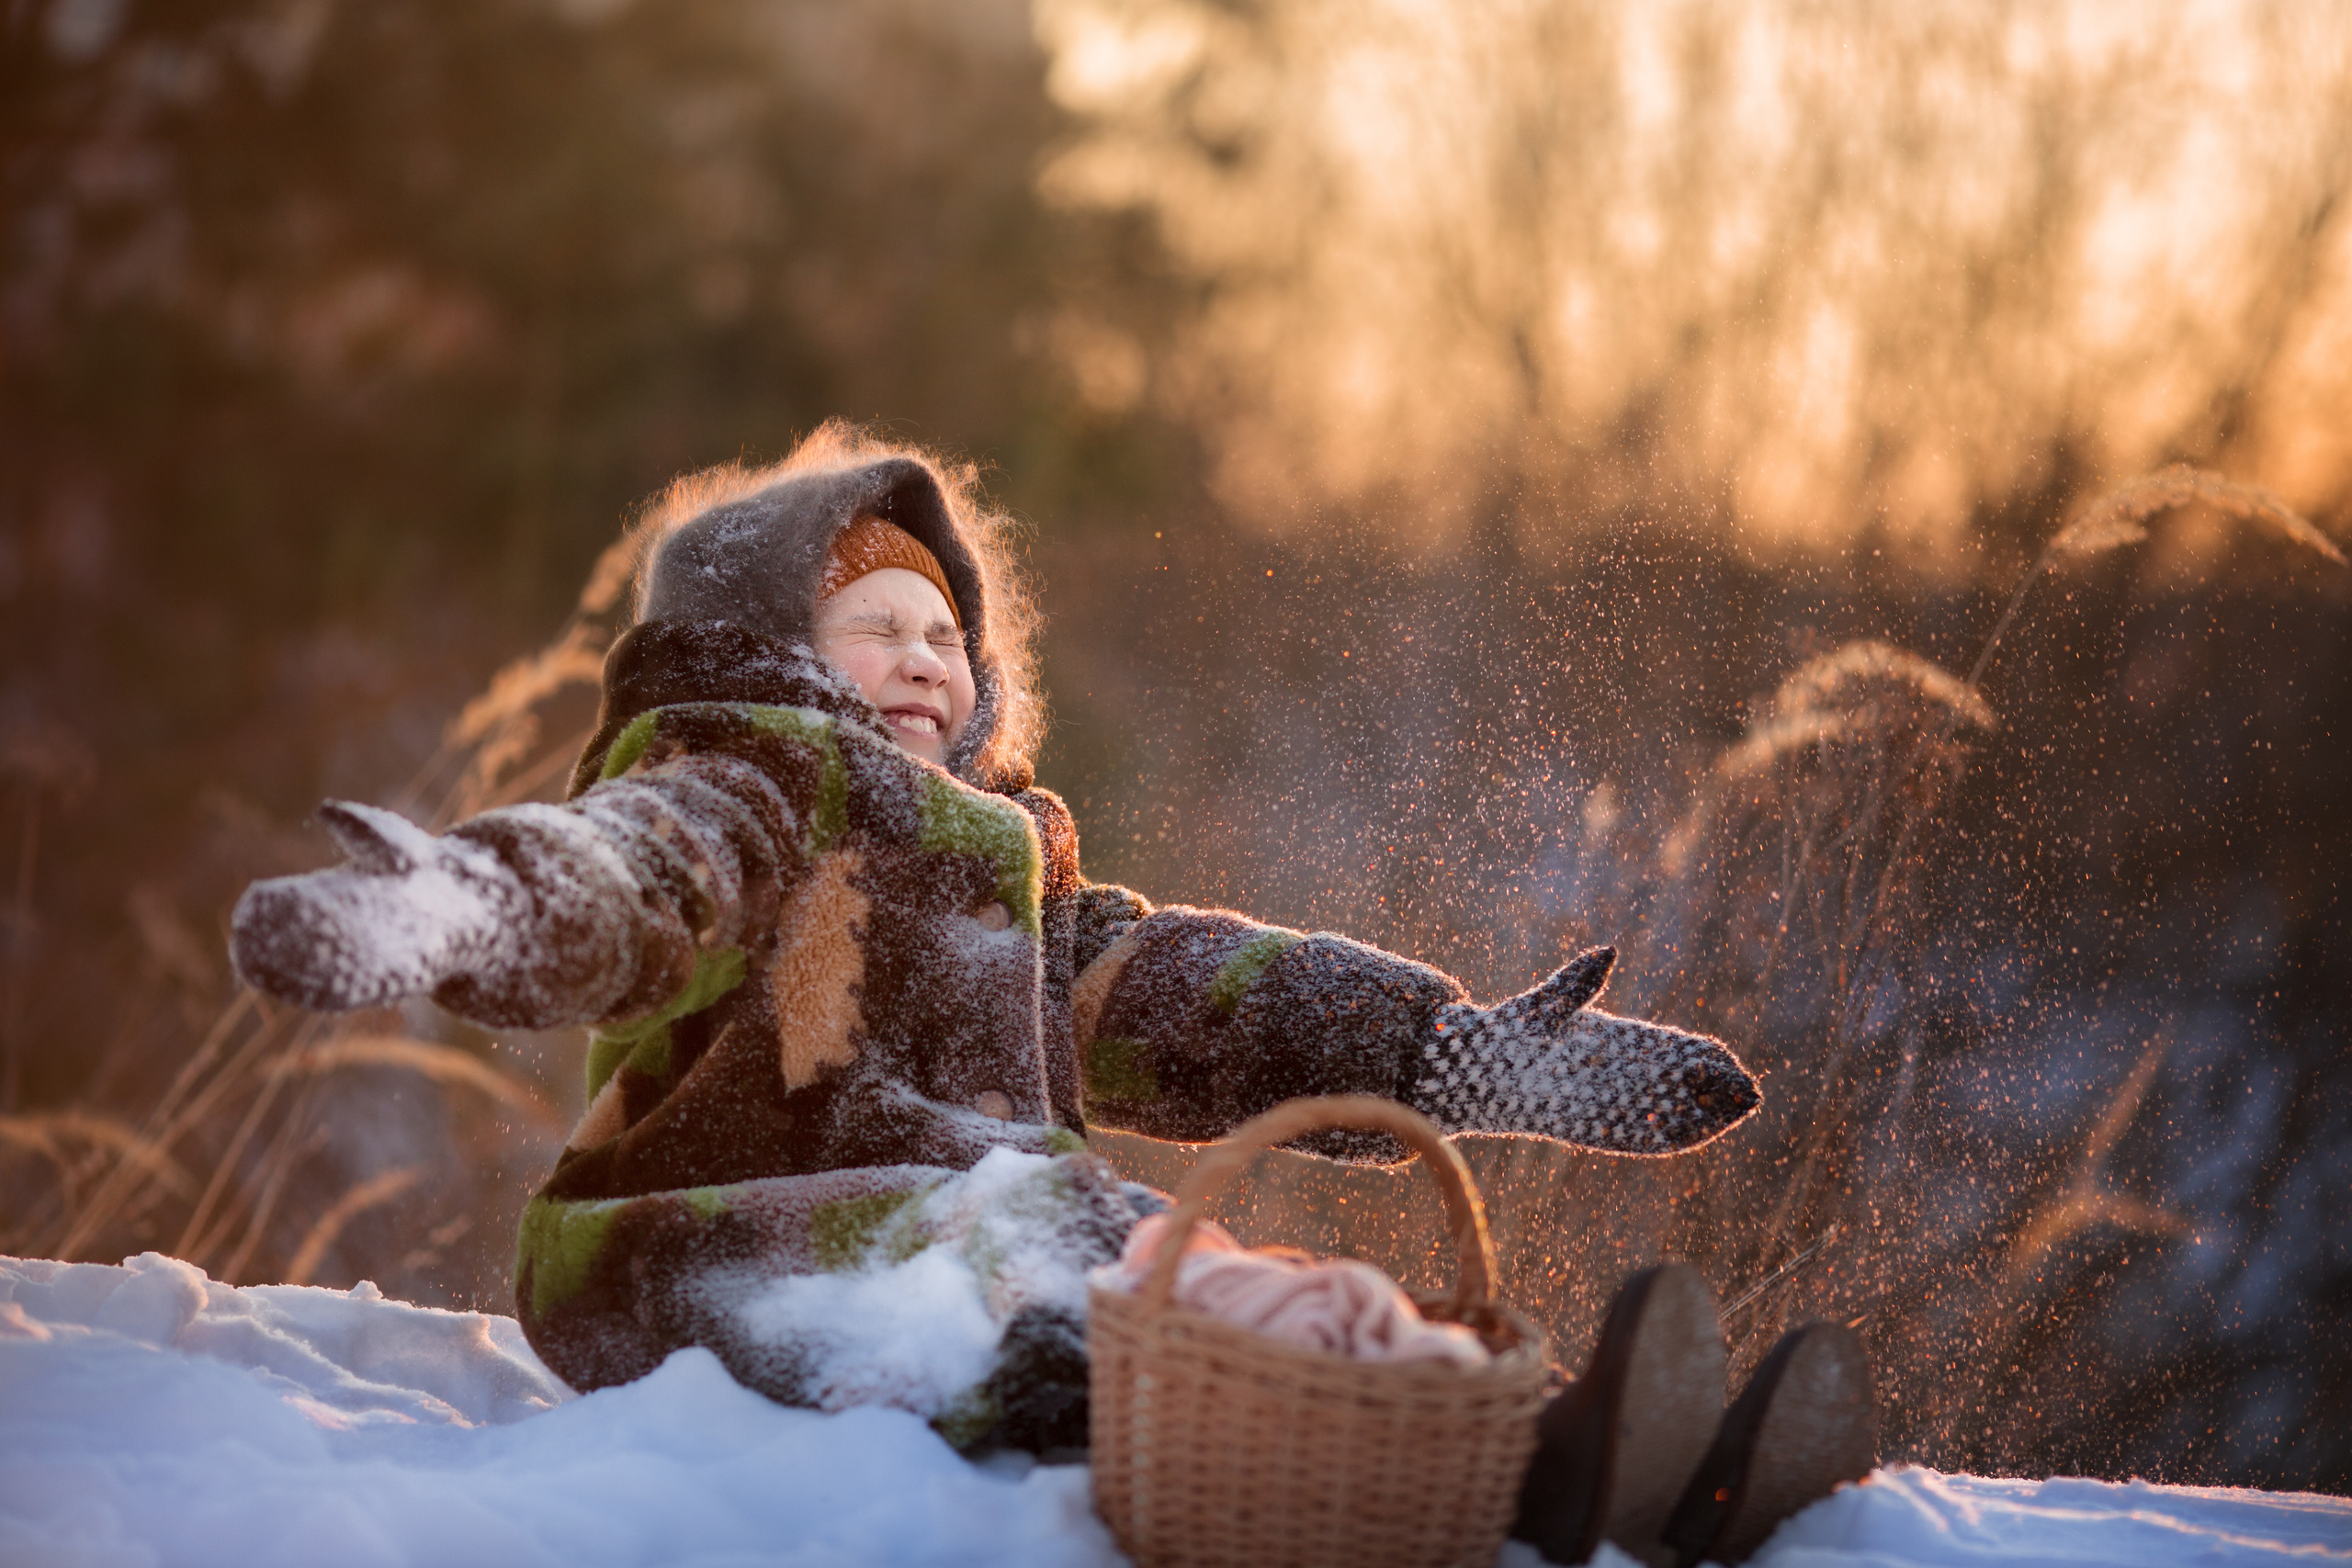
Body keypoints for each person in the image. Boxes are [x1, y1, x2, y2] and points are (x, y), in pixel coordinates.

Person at [230, 423, 1874, 1564]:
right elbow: (641, 874)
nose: (924, 652)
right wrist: (464, 908)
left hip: (978, 1244)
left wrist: (1442, 1056)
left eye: (942, 627)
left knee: (1190, 1265)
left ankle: (1540, 1443)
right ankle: (1442, 1455)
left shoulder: (1014, 858)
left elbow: (1182, 990)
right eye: (868, 622)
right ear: (759, 654)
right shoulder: (755, 780)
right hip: (728, 1251)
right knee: (1074, 1262)